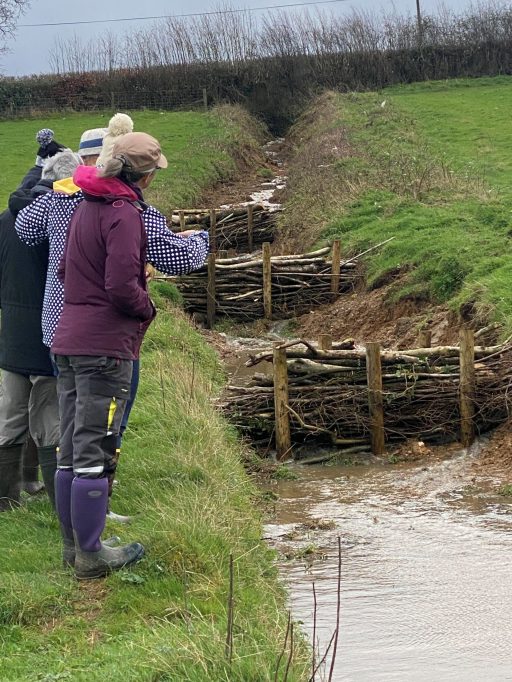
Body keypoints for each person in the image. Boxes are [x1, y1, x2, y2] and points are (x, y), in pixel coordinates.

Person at [15, 127, 209, 519]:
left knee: (71, 427)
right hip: (105, 334)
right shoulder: (131, 212)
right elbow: (175, 261)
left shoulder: (63, 198)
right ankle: (95, 516)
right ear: (147, 175)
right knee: (104, 426)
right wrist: (199, 240)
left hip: (61, 323)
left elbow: (23, 230)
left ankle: (74, 520)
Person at [51, 132, 168, 580]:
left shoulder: (85, 204)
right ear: (143, 174)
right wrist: (147, 308)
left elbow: (64, 270)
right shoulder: (123, 214)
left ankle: (73, 547)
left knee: (70, 448)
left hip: (69, 340)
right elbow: (122, 285)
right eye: (154, 169)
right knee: (95, 449)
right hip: (104, 347)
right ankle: (92, 553)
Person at [0, 150, 82, 511]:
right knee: (50, 418)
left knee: (10, 415)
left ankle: (6, 500)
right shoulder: (62, 217)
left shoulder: (4, 219)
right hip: (50, 330)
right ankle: (55, 499)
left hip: (12, 332)